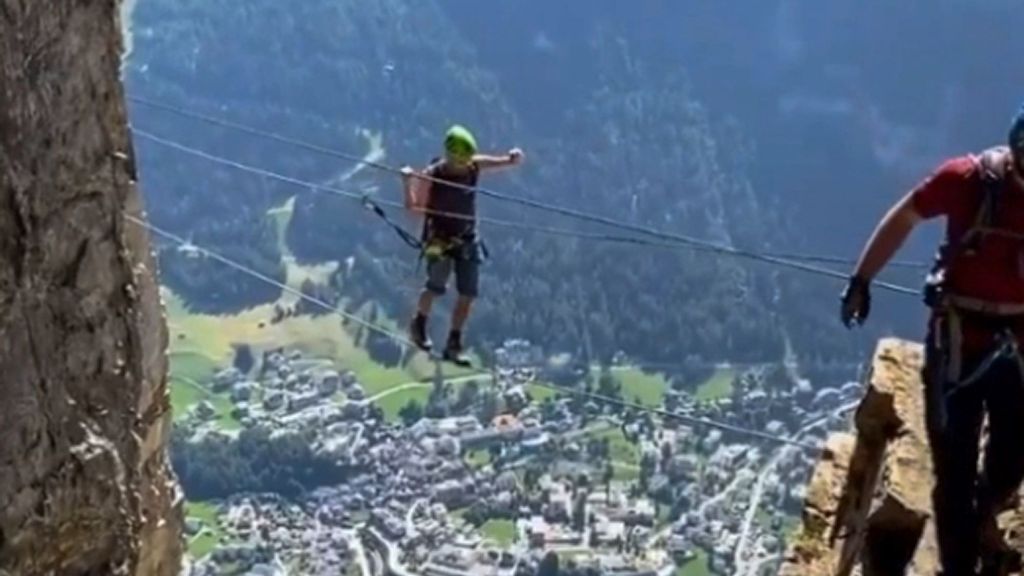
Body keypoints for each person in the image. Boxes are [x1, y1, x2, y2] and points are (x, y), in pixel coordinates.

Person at [841, 104, 1024, 576]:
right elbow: (904, 217)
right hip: (958, 344)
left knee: (1012, 456)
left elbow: (904, 218)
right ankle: (959, 561)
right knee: (954, 471)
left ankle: (982, 511)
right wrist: (862, 279)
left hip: (1011, 345)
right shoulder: (967, 180)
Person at [400, 124, 524, 366]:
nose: (466, 165)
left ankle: (453, 344)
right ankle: (419, 325)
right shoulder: (432, 174)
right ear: (450, 158)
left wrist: (509, 160)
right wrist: (407, 183)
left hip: (467, 237)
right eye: (462, 162)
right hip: (440, 239)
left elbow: (487, 163)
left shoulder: (472, 165)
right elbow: (415, 209)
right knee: (435, 287)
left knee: (467, 294)